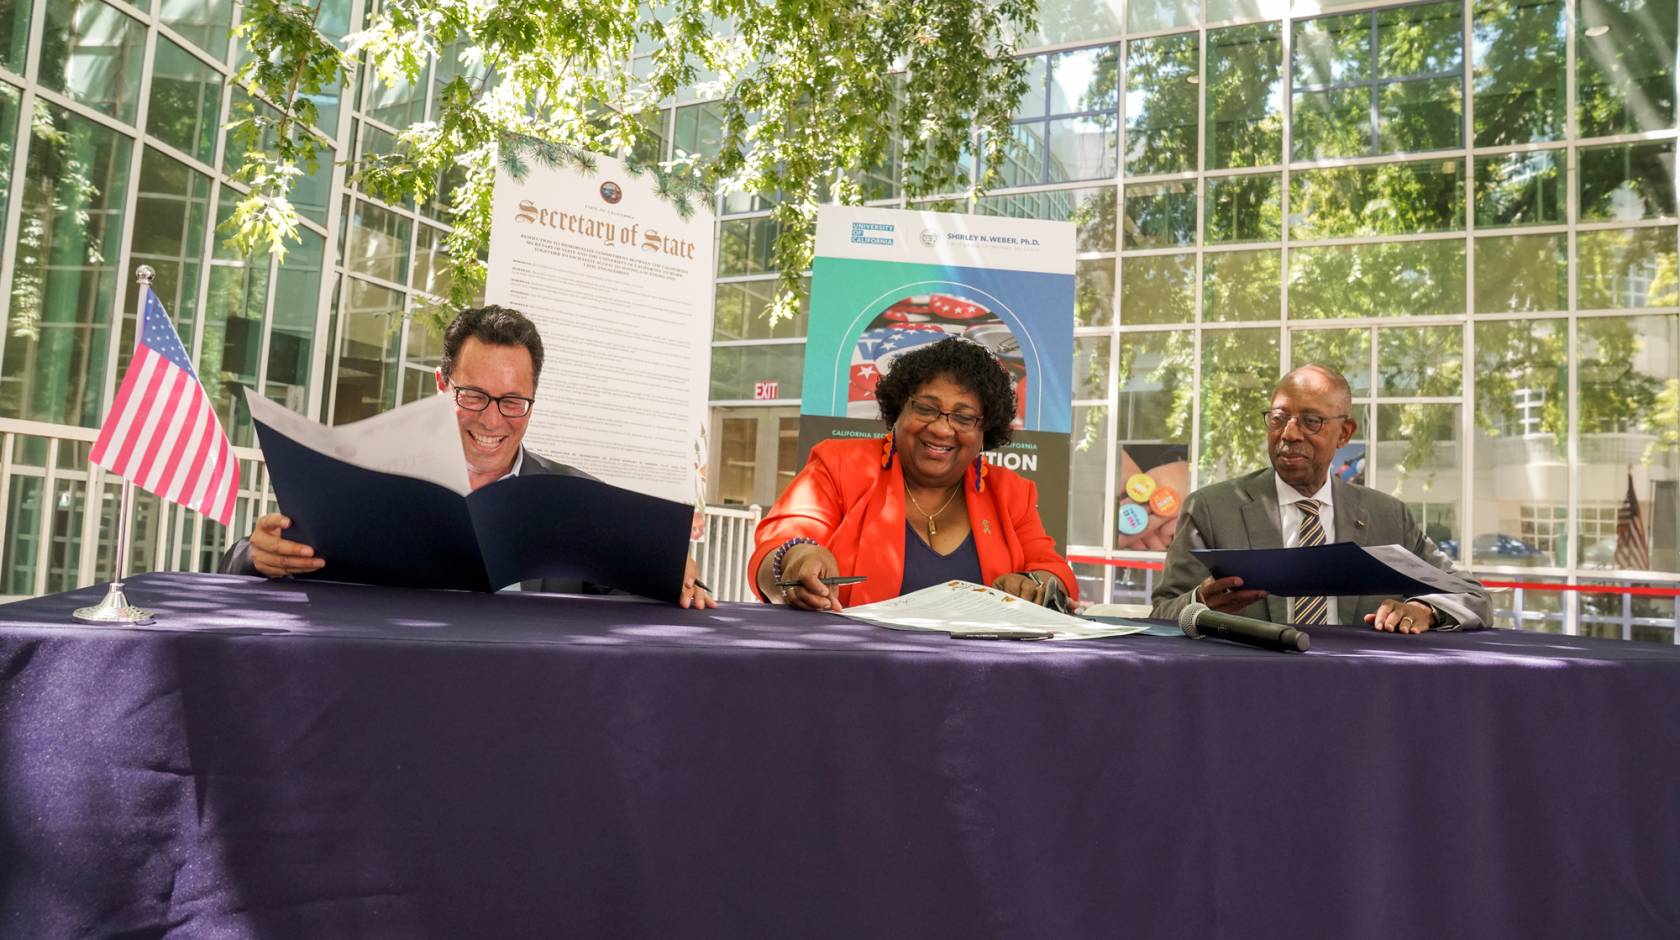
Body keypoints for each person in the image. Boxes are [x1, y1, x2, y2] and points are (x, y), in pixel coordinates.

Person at [222, 305, 715, 608]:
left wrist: (667, 570)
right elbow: (239, 564)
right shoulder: (370, 473)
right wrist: (258, 557)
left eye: (514, 402)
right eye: (473, 395)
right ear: (443, 384)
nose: (492, 420)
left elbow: (653, 597)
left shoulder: (577, 499)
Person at [1151, 364, 1490, 632]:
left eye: (1311, 421)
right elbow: (1162, 614)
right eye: (1278, 418)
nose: (1289, 433)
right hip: (1249, 691)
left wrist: (1424, 609)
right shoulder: (1211, 510)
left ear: (1344, 433)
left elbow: (1473, 596)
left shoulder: (1388, 516)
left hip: (1355, 694)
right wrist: (1200, 603)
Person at [750, 337, 1077, 611]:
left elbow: (1055, 573)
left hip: (978, 678)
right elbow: (774, 550)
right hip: (854, 671)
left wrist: (1033, 584)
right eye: (925, 408)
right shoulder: (839, 464)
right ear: (898, 411)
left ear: (984, 432)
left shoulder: (1010, 492)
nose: (941, 428)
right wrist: (798, 558)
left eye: (963, 418)